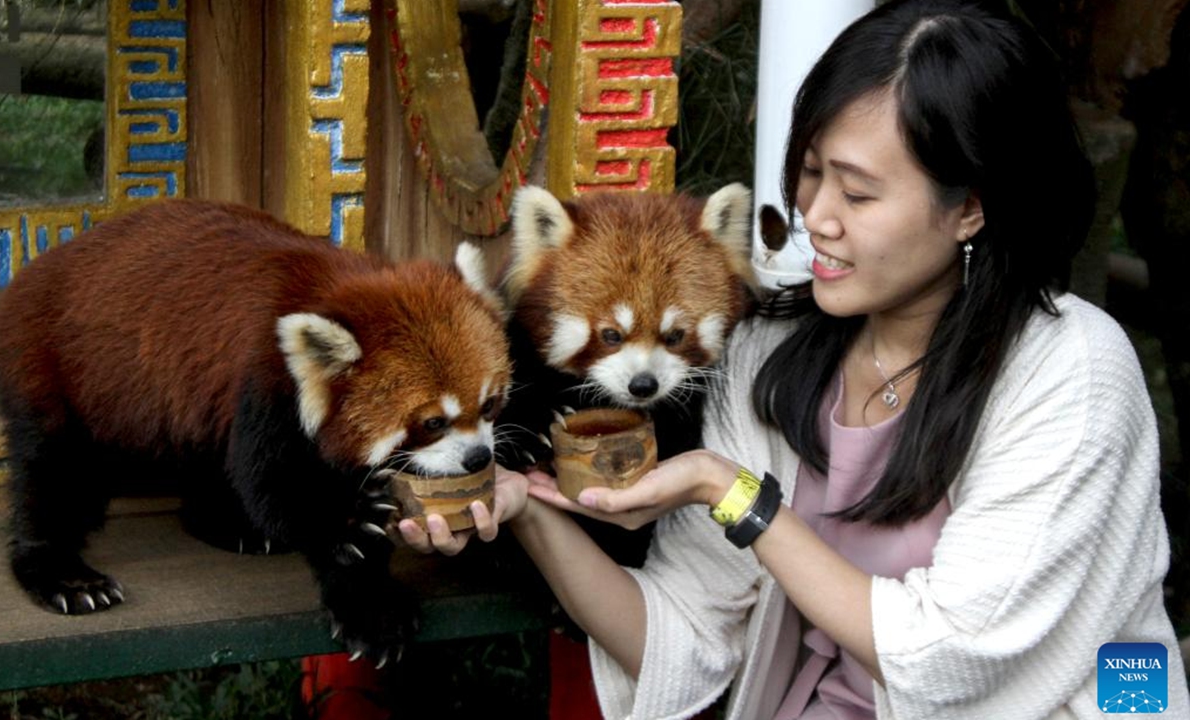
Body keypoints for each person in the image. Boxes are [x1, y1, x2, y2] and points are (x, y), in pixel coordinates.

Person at [400, 0, 1190, 717]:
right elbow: (685, 637)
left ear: (970, 208)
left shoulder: (1069, 370)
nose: (813, 216)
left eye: (857, 193)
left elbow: (946, 657)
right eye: (810, 175)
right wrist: (528, 507)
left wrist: (729, 490)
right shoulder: (776, 351)